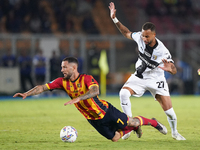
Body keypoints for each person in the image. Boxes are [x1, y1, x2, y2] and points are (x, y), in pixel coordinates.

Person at [13, 56, 167, 142]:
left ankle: (153, 122)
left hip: (106, 111)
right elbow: (42, 87)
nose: (62, 70)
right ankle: (131, 127)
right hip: (92, 119)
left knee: (131, 121)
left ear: (73, 68)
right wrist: (27, 93)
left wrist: (78, 98)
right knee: (114, 138)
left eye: (64, 67)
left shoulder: (86, 78)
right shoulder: (62, 82)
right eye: (61, 67)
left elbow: (95, 91)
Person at [108, 2, 185, 140]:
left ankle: (174, 132)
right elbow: (126, 32)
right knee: (123, 93)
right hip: (139, 76)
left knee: (170, 112)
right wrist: (114, 19)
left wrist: (170, 69)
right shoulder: (139, 37)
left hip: (156, 79)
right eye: (143, 36)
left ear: (154, 35)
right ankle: (128, 127)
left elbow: (173, 69)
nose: (144, 39)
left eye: (147, 37)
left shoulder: (162, 50)